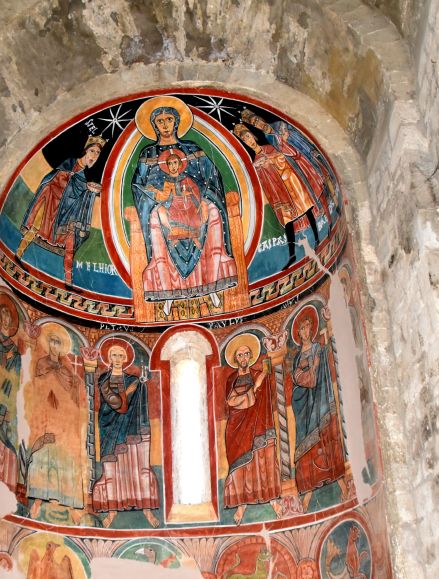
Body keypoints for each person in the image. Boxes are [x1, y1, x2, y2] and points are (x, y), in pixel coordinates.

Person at [132, 101, 237, 314]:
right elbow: (139, 185)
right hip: (166, 207)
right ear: (153, 125)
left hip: (194, 206)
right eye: (160, 121)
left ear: (177, 121)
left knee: (214, 212)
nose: (165, 125)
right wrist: (157, 199)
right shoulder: (148, 153)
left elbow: (211, 178)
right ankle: (169, 291)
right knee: (155, 217)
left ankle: (212, 283)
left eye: (169, 120)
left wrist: (206, 200)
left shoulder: (192, 149)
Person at [16, 135, 105, 288]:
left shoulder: (83, 176)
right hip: (51, 202)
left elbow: (76, 195)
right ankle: (18, 255)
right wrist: (84, 187)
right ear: (85, 151)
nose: (94, 156)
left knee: (71, 241)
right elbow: (58, 181)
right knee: (35, 227)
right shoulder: (69, 164)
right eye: (92, 151)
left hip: (66, 213)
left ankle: (68, 282)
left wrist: (90, 192)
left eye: (97, 153)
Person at [234, 123, 321, 270]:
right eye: (244, 140)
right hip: (277, 192)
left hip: (289, 182)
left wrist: (271, 160)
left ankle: (317, 238)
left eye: (248, 136)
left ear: (253, 135)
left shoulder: (269, 148)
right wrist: (260, 167)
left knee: (306, 209)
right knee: (288, 222)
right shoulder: (254, 161)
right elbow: (262, 182)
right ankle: (292, 255)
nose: (248, 140)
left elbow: (282, 159)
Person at [90, 344, 160, 528]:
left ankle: (147, 510)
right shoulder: (104, 379)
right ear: (110, 358)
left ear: (126, 358)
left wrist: (142, 385)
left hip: (132, 429)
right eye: (114, 355)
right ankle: (112, 512)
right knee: (111, 470)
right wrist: (131, 390)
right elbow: (116, 404)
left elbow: (135, 402)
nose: (118, 358)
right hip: (110, 428)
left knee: (139, 466)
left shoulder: (133, 379)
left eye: (121, 355)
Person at [290, 308, 351, 510]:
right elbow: (296, 380)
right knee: (307, 447)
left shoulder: (319, 350)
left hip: (320, 403)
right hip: (305, 409)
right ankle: (307, 494)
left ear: (312, 330)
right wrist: (307, 370)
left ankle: (343, 485)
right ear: (298, 333)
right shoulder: (298, 357)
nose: (305, 331)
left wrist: (314, 366)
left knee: (326, 440)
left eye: (308, 327)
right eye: (302, 328)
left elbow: (321, 374)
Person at [24, 326, 87, 518]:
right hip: (45, 417)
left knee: (65, 456)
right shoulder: (42, 364)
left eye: (58, 342)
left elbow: (73, 396)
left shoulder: (67, 372)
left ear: (62, 347)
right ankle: (37, 498)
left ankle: (65, 501)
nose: (54, 345)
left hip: (63, 422)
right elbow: (37, 387)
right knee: (42, 453)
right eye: (51, 341)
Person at [223, 343, 282, 525]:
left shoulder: (258, 374)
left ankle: (272, 499)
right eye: (240, 355)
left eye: (247, 354)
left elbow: (264, 398)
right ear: (235, 359)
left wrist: (262, 378)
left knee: (261, 459)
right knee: (241, 466)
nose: (243, 358)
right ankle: (241, 504)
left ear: (251, 356)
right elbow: (231, 402)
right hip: (237, 426)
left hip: (258, 425)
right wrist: (254, 388)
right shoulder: (231, 380)